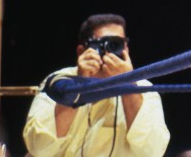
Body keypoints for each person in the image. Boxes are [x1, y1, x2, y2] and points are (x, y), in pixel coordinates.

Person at [22, 12, 169, 157]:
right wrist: (78, 86)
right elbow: (39, 149)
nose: (110, 51)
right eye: (103, 44)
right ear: (81, 51)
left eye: (116, 44)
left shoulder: (144, 89)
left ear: (127, 49)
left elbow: (153, 152)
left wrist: (128, 84)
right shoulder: (59, 82)